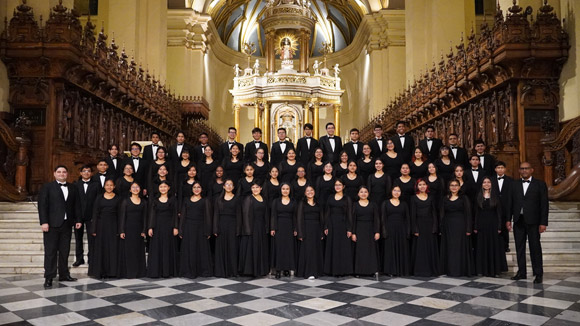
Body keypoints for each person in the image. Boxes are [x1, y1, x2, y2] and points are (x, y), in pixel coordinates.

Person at [38, 165, 81, 288]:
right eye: (59, 172)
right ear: (54, 174)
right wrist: (44, 222)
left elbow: (77, 205)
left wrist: (78, 219)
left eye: (64, 172)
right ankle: (49, 277)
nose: (62, 174)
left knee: (64, 251)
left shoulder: (73, 187)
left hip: (67, 225)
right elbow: (42, 206)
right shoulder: (47, 187)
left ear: (67, 174)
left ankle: (64, 274)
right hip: (51, 225)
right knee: (50, 252)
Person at [507, 162, 549, 284]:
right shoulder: (514, 184)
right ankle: (521, 272)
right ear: (519, 171)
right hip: (519, 221)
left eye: (526, 168)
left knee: (535, 247)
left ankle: (538, 273)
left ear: (532, 170)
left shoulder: (540, 184)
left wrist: (543, 223)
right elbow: (510, 203)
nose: (524, 171)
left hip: (534, 221)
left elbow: (544, 205)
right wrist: (508, 219)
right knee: (519, 248)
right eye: (522, 169)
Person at [439, 179, 474, 277]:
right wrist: (441, 227)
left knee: (459, 247)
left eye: (456, 185)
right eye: (452, 185)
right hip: (448, 226)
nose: (454, 187)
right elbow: (442, 213)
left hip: (461, 226)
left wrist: (468, 228)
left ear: (459, 187)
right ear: (449, 187)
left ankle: (460, 270)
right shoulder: (445, 198)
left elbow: (468, 214)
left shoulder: (464, 198)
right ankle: (450, 270)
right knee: (450, 248)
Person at [474, 177, 507, 277]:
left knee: (493, 247)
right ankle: (482, 270)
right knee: (482, 247)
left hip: (493, 225)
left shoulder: (496, 196)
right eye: (484, 182)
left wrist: (499, 226)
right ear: (482, 184)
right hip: (481, 225)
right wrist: (475, 226)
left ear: (492, 184)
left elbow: (499, 213)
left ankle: (495, 270)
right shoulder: (478, 196)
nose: (486, 184)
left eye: (488, 182)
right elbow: (476, 213)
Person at [179, 182, 213, 278]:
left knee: (201, 249)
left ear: (201, 189)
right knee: (189, 249)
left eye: (198, 187)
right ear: (192, 189)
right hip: (188, 227)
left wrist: (208, 230)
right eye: (194, 187)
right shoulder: (186, 200)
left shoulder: (205, 200)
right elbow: (183, 216)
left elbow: (208, 216)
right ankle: (189, 271)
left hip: (201, 227)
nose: (196, 189)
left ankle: (202, 271)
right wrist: (181, 229)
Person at [89, 179, 120, 279]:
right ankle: (100, 271)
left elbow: (120, 215)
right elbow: (95, 213)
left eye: (111, 185)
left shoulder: (118, 198)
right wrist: (93, 229)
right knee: (101, 248)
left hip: (113, 225)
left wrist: (120, 229)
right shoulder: (99, 198)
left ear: (114, 186)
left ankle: (112, 272)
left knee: (112, 248)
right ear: (104, 186)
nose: (109, 187)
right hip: (100, 226)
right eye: (107, 185)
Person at [147, 181, 179, 278]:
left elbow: (175, 214)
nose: (163, 188)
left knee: (168, 247)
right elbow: (152, 214)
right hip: (157, 226)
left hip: (169, 226)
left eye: (165, 186)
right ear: (158, 188)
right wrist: (150, 227)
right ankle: (157, 271)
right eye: (161, 186)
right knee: (157, 248)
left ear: (168, 188)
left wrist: (176, 227)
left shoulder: (173, 200)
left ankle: (167, 271)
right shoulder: (155, 200)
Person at [323, 179, 353, 276]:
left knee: (342, 248)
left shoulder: (347, 198)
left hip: (343, 225)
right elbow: (327, 212)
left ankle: (343, 270)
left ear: (343, 186)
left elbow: (349, 214)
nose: (338, 186)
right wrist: (326, 226)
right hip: (332, 224)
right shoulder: (330, 197)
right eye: (336, 185)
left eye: (339, 185)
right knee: (333, 247)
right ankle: (332, 270)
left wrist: (349, 228)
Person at [410, 179, 440, 277]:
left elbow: (434, 213)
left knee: (430, 247)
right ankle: (419, 271)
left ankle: (431, 270)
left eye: (424, 184)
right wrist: (415, 228)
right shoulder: (413, 198)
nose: (422, 186)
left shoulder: (431, 198)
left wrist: (435, 226)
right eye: (420, 184)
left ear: (427, 186)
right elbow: (412, 215)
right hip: (419, 225)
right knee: (420, 248)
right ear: (417, 186)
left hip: (430, 225)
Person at [213, 179, 242, 277]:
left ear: (233, 187)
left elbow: (239, 215)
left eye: (231, 184)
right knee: (221, 248)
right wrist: (215, 228)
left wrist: (238, 229)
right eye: (227, 184)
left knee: (233, 247)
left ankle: (232, 271)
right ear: (224, 186)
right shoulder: (218, 199)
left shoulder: (237, 199)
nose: (229, 186)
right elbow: (216, 214)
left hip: (233, 225)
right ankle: (221, 271)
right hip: (221, 225)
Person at [118, 182, 147, 278]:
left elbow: (144, 217)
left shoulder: (143, 202)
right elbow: (122, 217)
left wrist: (144, 230)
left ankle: (139, 272)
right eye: (133, 187)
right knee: (129, 251)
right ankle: (129, 272)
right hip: (128, 229)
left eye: (137, 187)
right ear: (130, 190)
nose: (135, 189)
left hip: (139, 230)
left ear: (140, 189)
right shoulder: (125, 201)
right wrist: (122, 230)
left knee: (138, 251)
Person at [381, 185, 410, 276]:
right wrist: (384, 231)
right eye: (394, 190)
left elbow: (407, 218)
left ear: (401, 193)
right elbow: (383, 218)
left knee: (401, 249)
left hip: (401, 229)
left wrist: (407, 231)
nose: (396, 192)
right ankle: (390, 271)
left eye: (398, 191)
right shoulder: (385, 203)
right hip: (389, 228)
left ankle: (401, 270)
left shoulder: (404, 204)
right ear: (391, 191)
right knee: (390, 250)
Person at [72, 165, 98, 267]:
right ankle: (79, 258)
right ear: (81, 173)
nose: (86, 173)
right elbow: (74, 201)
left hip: (91, 216)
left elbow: (97, 201)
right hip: (78, 216)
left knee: (92, 238)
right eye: (84, 171)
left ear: (91, 173)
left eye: (88, 171)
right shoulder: (75, 185)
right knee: (78, 238)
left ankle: (91, 258)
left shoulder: (96, 185)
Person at [296, 185, 324, 279]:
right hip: (306, 229)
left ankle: (317, 271)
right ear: (304, 193)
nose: (310, 192)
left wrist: (321, 232)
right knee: (308, 251)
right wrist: (300, 233)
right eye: (307, 191)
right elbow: (299, 219)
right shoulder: (302, 203)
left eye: (311, 190)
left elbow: (321, 219)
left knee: (316, 250)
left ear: (314, 192)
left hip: (316, 229)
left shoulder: (318, 203)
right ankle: (308, 272)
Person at [351, 186, 380, 276]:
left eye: (365, 192)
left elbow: (376, 219)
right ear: (358, 194)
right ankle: (358, 271)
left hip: (370, 229)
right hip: (359, 229)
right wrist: (353, 233)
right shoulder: (355, 205)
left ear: (368, 193)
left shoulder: (373, 204)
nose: (363, 194)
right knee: (359, 251)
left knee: (370, 251)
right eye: (361, 192)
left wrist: (377, 231)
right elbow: (353, 219)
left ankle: (371, 271)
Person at [270, 183, 297, 278]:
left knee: (289, 248)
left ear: (290, 190)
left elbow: (295, 216)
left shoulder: (293, 201)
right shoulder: (276, 201)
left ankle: (287, 269)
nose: (285, 191)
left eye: (287, 189)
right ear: (280, 190)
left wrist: (295, 228)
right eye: (283, 189)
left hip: (289, 227)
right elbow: (273, 215)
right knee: (279, 248)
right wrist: (273, 228)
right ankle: (278, 270)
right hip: (279, 227)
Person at [492, 161, 514, 253]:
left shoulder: (510, 180)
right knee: (495, 226)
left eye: (502, 167)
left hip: (506, 207)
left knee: (505, 227)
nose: (500, 169)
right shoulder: (491, 180)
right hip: (494, 207)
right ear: (495, 169)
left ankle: (505, 245)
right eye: (498, 168)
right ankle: (495, 245)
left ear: (505, 169)